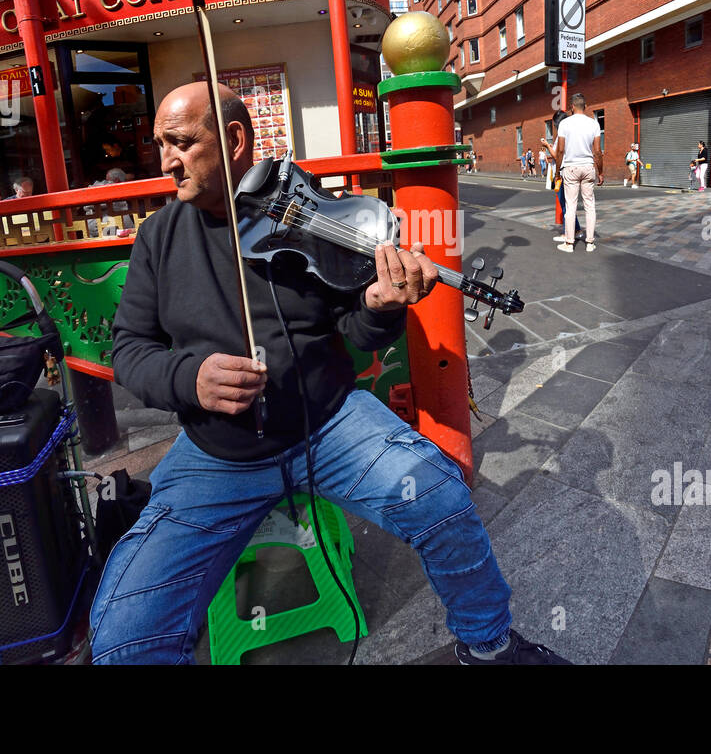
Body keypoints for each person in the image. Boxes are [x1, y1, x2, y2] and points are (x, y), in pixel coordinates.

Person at [88, 82, 570, 665]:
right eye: (162, 144)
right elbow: (130, 352)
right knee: (125, 631)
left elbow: (352, 333)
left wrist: (379, 308)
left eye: (182, 143)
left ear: (235, 140)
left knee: (441, 497)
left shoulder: (307, 213)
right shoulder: (159, 238)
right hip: (216, 455)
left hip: (329, 424)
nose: (166, 160)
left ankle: (490, 646)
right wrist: (190, 379)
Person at [553, 93, 602, 253]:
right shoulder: (593, 123)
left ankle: (569, 243)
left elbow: (560, 150)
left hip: (570, 168)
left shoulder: (565, 124)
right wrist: (600, 172)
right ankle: (590, 242)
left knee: (571, 205)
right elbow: (597, 151)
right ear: (585, 106)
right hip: (588, 167)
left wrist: (558, 172)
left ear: (572, 107)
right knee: (590, 205)